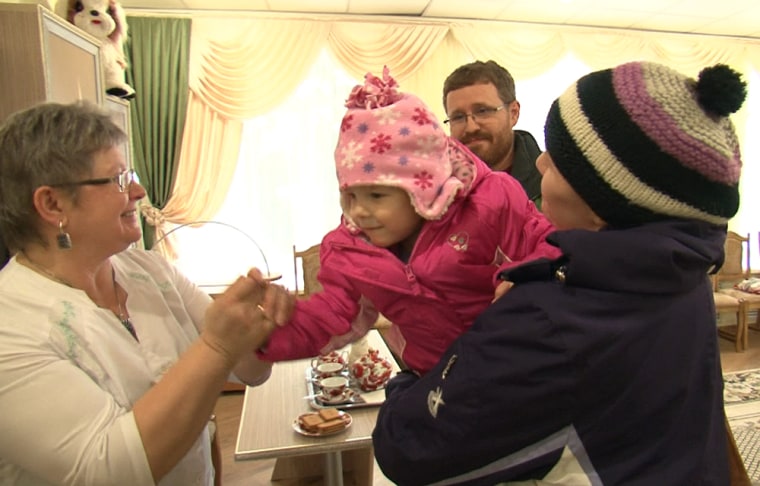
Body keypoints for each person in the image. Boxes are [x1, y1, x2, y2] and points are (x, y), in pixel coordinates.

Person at [373, 61, 747, 484]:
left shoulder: (550, 320)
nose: (545, 160)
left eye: (564, 160)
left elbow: (406, 447)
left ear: (605, 198)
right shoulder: (680, 275)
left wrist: (405, 382)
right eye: (456, 116)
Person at [0, 101, 291, 486]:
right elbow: (107, 471)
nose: (138, 190)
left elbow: (249, 370)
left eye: (131, 174)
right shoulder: (11, 325)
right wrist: (218, 345)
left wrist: (265, 327)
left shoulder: (149, 271)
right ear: (53, 204)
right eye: (118, 179)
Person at [257, 67, 560, 375]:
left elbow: (550, 244)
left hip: (509, 367)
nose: (359, 212)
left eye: (376, 196)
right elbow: (332, 316)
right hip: (429, 378)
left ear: (421, 188)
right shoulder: (351, 250)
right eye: (351, 197)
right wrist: (270, 333)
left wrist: (528, 279)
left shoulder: (490, 202)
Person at [443, 60, 544, 209]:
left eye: (483, 111)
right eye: (458, 117)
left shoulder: (555, 185)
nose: (471, 127)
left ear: (513, 113)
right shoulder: (436, 192)